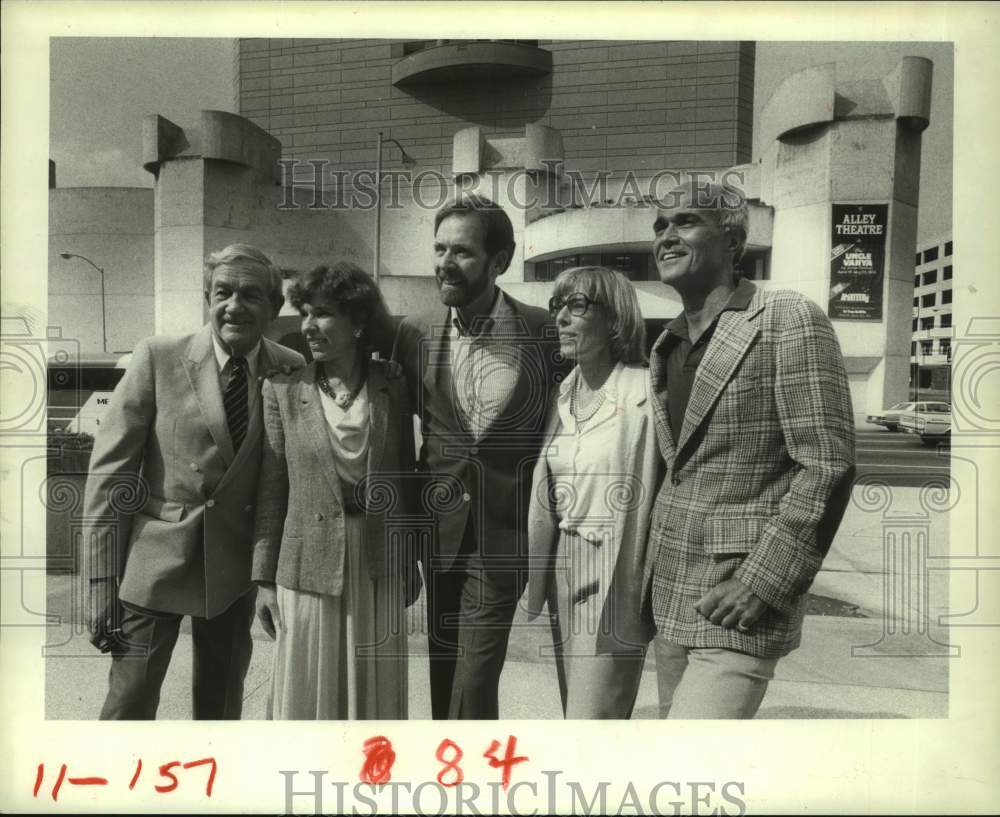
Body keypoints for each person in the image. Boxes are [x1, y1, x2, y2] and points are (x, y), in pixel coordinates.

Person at [643, 180, 856, 718]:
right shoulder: (667, 343)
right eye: (660, 226)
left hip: (740, 600)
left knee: (693, 755)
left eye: (686, 221)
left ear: (733, 241)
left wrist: (763, 582)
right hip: (672, 595)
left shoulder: (787, 317)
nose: (666, 236)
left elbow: (827, 467)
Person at [82, 243, 306, 719]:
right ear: (207, 298)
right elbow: (110, 476)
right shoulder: (158, 357)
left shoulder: (292, 368)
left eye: (250, 295)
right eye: (222, 292)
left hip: (235, 570)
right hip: (155, 562)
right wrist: (100, 582)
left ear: (274, 308)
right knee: (129, 702)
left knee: (220, 708)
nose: (234, 306)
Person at [392, 193, 558, 719]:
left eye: (462, 252)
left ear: (499, 261)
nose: (445, 262)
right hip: (439, 536)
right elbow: (403, 443)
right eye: (439, 248)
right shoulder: (414, 332)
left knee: (475, 679)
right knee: (444, 674)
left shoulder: (543, 332)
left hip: (504, 537)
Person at [252, 261, 419, 720]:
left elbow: (404, 476)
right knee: (310, 691)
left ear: (358, 321)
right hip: (307, 563)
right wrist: (264, 581)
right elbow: (272, 491)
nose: (308, 325)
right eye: (305, 313)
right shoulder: (282, 390)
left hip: (379, 560)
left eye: (323, 313)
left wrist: (410, 561)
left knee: (374, 693)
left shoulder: (392, 384)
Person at [525, 266, 660, 719]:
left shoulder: (647, 393)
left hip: (614, 565)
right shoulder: (563, 393)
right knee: (576, 713)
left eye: (577, 305)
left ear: (615, 318)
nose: (561, 317)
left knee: (593, 718)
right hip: (564, 565)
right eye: (557, 306)